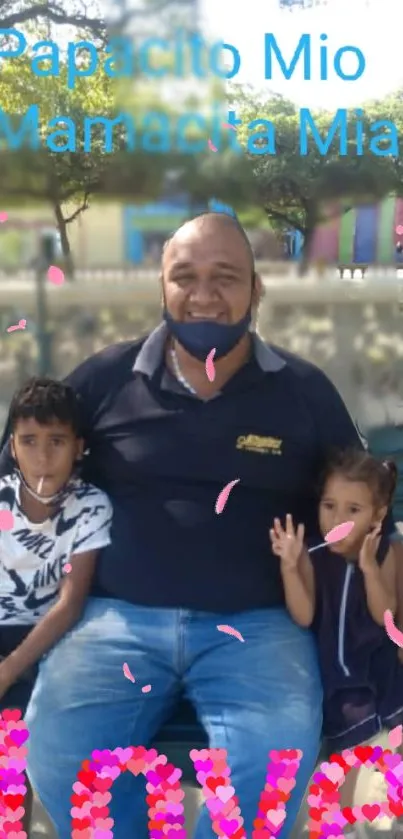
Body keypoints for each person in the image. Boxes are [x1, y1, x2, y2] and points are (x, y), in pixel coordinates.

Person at [0, 212, 399, 839]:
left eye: (225, 276)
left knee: (270, 774)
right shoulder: (104, 381)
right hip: (114, 618)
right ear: (162, 288)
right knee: (61, 753)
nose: (204, 293)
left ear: (255, 290)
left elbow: (372, 505)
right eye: (185, 277)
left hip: (259, 625)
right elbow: (15, 475)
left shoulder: (302, 391)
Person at [270, 448, 403, 837]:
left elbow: (385, 615)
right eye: (330, 506)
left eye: (353, 510)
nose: (337, 520)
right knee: (343, 776)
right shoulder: (311, 552)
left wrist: (368, 570)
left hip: (381, 673)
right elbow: (304, 613)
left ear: (377, 516)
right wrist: (290, 567)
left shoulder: (383, 551)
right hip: (340, 687)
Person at [0, 376, 113, 834]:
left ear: (79, 447)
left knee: (15, 732)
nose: (43, 456)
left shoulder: (90, 507)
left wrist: (8, 668)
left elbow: (69, 604)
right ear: (13, 446)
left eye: (56, 442)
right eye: (29, 441)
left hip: (52, 639)